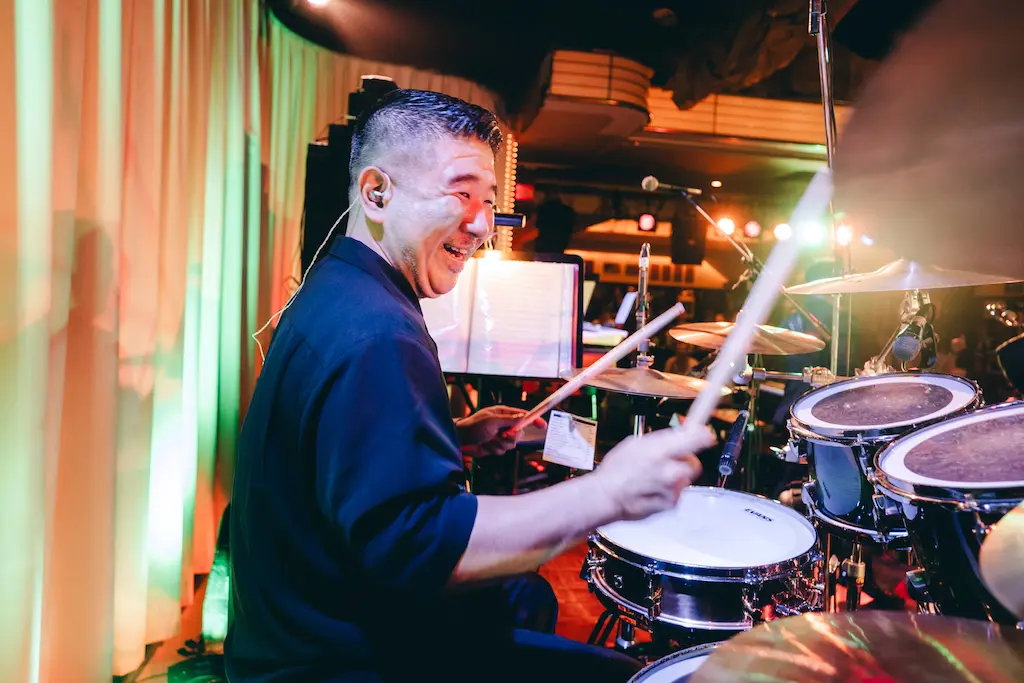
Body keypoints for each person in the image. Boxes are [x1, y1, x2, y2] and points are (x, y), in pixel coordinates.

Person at [226, 89, 712, 683]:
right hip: (338, 661)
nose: (482, 226)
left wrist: (454, 435)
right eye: (461, 194)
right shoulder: (379, 335)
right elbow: (420, 549)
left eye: (489, 203)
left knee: (527, 602)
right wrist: (608, 494)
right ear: (376, 192)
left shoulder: (336, 287)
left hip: (286, 635)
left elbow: (331, 456)